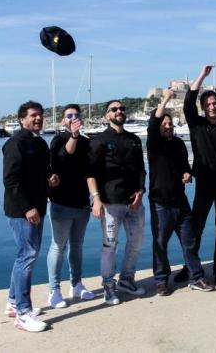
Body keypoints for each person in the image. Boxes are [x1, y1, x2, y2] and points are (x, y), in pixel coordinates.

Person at [147, 88, 215, 296]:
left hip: (180, 201)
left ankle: (196, 277)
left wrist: (187, 174)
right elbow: (153, 123)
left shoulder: (178, 144)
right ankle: (161, 281)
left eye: (170, 124)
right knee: (160, 244)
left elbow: (185, 166)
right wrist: (165, 99)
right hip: (160, 203)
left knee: (190, 242)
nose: (168, 126)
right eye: (164, 124)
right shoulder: (154, 143)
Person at [3, 101, 60, 333]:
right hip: (22, 211)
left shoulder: (39, 143)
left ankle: (12, 302)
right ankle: (23, 313)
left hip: (37, 207)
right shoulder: (15, 143)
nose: (38, 118)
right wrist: (27, 208)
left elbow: (43, 171)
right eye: (33, 115)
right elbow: (11, 180)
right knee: (27, 256)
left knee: (26, 255)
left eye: (40, 115)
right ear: (22, 119)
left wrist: (51, 178)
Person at [179, 64, 216, 285]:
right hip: (204, 186)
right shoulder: (197, 125)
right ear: (203, 107)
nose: (212, 107)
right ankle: (190, 267)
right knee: (197, 228)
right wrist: (202, 75)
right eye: (208, 104)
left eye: (215, 103)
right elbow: (188, 102)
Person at [87, 100, 147, 305]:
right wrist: (96, 199)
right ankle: (108, 285)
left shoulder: (134, 140)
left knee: (136, 242)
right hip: (110, 203)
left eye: (121, 108)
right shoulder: (99, 141)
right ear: (107, 115)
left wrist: (141, 191)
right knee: (109, 246)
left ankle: (126, 279)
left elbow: (141, 170)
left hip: (134, 202)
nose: (119, 111)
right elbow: (90, 174)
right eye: (114, 109)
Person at [46, 104, 95, 309]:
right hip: (61, 203)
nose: (73, 117)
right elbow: (64, 157)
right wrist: (73, 136)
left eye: (76, 115)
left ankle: (76, 284)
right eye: (69, 115)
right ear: (63, 120)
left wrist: (95, 197)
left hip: (82, 203)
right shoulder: (58, 140)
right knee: (58, 246)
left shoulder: (86, 142)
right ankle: (54, 290)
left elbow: (91, 170)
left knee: (77, 245)